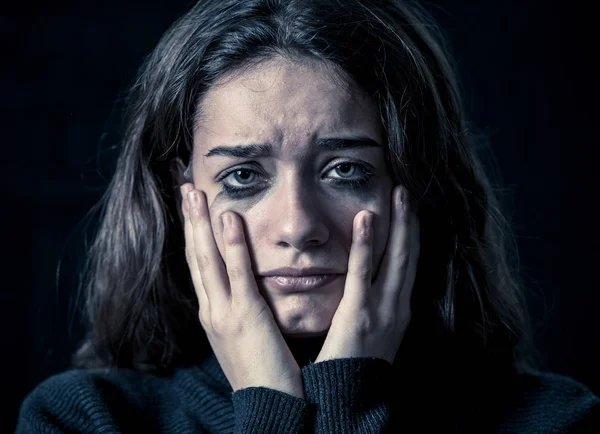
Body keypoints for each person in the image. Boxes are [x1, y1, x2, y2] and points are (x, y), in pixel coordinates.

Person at [17, 0, 599, 432]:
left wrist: (350, 400)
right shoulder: (85, 420)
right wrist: (272, 409)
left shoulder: (552, 422)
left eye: (345, 170)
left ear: (418, 188)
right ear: (183, 198)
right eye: (243, 176)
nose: (297, 227)